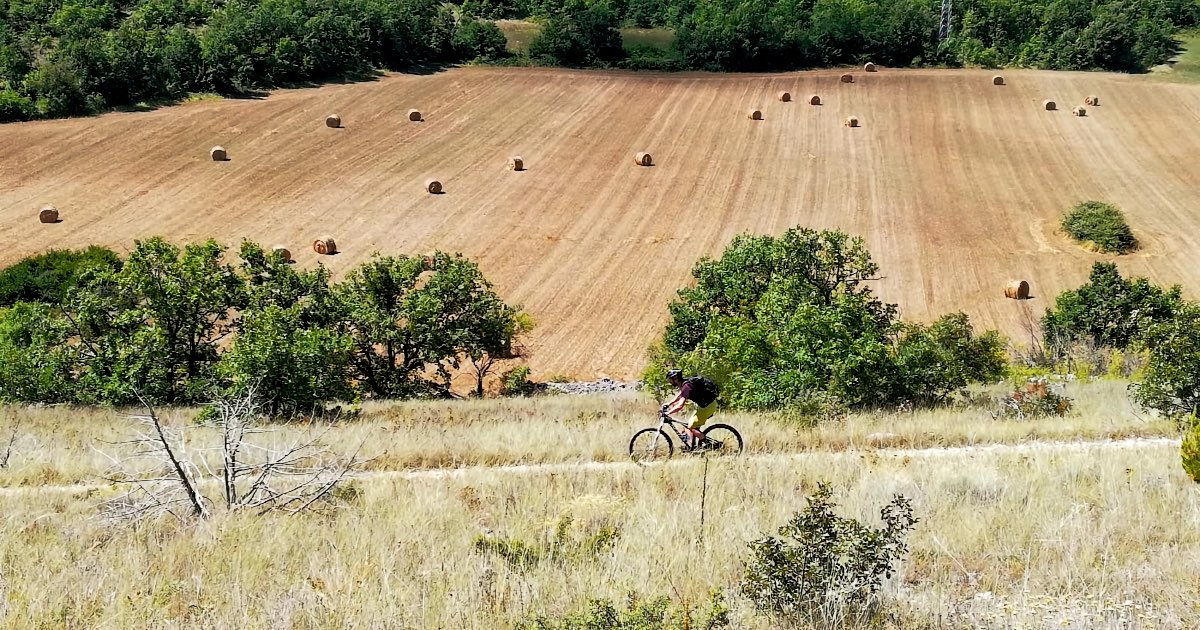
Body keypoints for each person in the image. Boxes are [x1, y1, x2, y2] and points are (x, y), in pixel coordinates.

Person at [661, 369, 719, 449]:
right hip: (703, 406)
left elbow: (680, 405)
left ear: (676, 379)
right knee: (689, 425)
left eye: (670, 380)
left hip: (707, 407)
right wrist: (669, 403)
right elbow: (681, 394)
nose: (669, 382)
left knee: (691, 426)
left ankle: (709, 444)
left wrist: (668, 413)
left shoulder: (687, 386)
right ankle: (692, 446)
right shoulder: (685, 384)